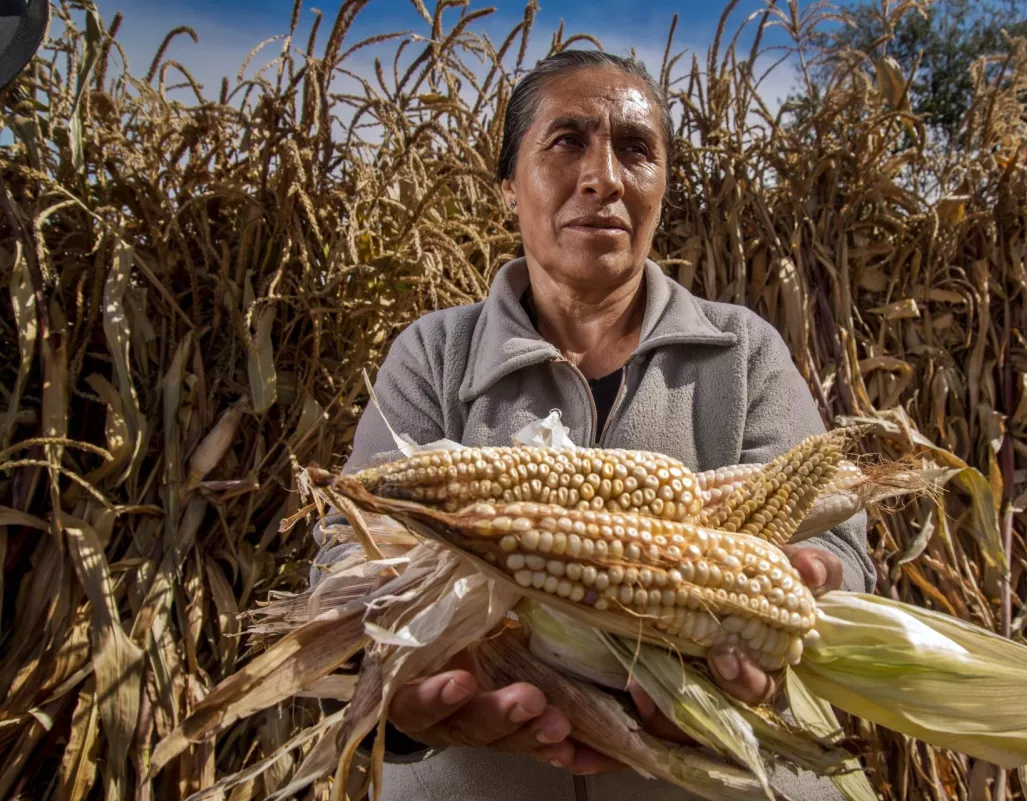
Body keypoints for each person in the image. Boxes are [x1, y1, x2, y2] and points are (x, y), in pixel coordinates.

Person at [312, 49, 875, 801]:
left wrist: (802, 602)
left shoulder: (743, 351)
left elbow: (835, 551)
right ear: (509, 184)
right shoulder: (434, 354)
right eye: (567, 141)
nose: (603, 178)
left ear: (662, 185)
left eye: (635, 149)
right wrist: (405, 698)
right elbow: (351, 563)